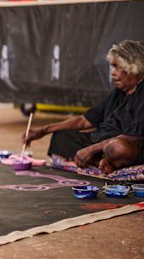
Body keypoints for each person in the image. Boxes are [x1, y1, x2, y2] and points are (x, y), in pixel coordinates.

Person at [23, 40, 144, 174]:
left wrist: (91, 149)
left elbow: (133, 137)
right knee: (61, 137)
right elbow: (85, 120)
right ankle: (102, 163)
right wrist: (44, 130)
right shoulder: (119, 92)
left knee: (119, 148)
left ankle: (103, 161)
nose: (113, 73)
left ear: (133, 68)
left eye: (117, 67)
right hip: (100, 144)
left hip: (123, 148)